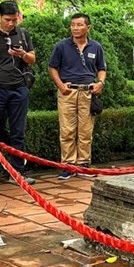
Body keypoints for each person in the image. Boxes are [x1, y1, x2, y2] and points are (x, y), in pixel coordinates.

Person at [0, 0, 37, 185]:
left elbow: (33, 58)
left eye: (14, 19)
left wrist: (22, 55)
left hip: (18, 88)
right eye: (7, 19)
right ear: (0, 17)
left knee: (18, 131)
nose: (11, 23)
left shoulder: (23, 34)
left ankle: (17, 172)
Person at [48, 13, 107, 179]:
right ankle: (68, 165)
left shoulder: (96, 47)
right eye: (73, 24)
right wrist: (60, 85)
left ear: (88, 28)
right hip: (68, 92)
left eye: (79, 25)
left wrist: (100, 83)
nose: (75, 28)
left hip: (88, 92)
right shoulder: (61, 46)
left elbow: (101, 68)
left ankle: (83, 164)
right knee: (67, 130)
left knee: (86, 130)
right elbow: (52, 68)